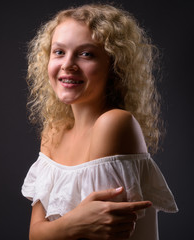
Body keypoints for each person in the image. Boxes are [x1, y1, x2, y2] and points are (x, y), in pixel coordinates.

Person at [21, 3, 178, 240]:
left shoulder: (114, 123)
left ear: (114, 66)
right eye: (59, 52)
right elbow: (35, 234)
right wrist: (74, 224)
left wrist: (59, 230)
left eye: (86, 54)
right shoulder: (54, 131)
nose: (67, 64)